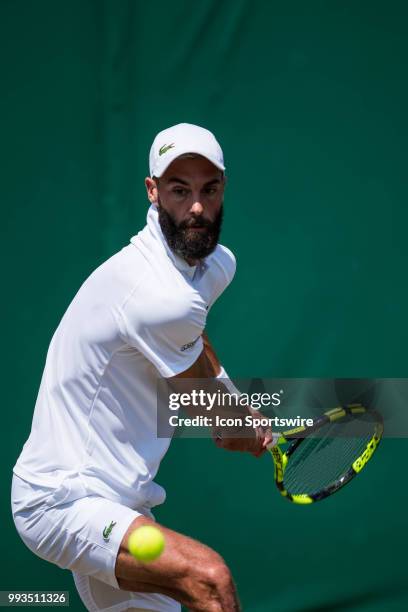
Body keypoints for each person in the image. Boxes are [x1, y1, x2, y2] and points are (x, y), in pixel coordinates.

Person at [11, 123, 271, 612]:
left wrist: (234, 408)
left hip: (123, 503)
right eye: (179, 190)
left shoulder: (214, 267)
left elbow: (194, 335)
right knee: (210, 580)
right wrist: (237, 422)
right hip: (63, 501)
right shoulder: (152, 291)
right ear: (152, 192)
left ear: (223, 189)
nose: (196, 207)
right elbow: (210, 408)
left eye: (208, 189)